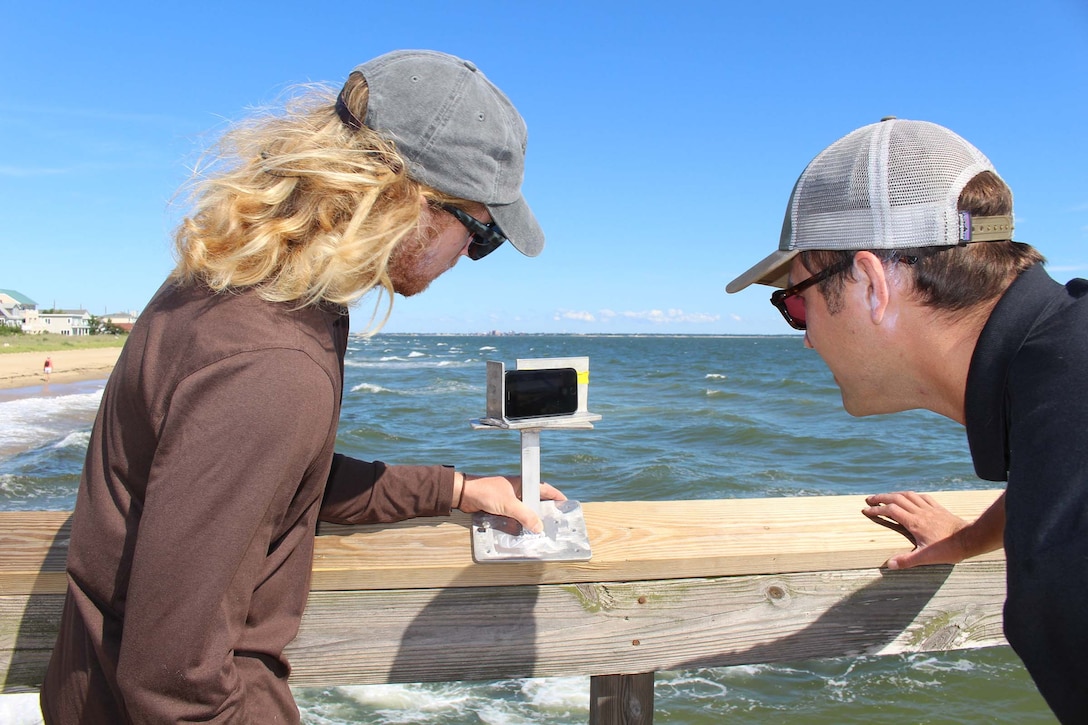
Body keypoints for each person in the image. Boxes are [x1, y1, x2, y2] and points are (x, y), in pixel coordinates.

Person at [40, 50, 564, 724]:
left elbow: (274, 482)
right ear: (405, 199)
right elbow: (172, 682)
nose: (470, 255)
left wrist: (456, 490)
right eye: (480, 231)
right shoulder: (274, 363)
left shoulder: (235, 284)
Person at [726, 117, 1087, 723]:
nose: (807, 337)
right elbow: (1050, 470)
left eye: (794, 302)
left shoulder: (1066, 556)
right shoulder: (1056, 380)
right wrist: (972, 536)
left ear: (870, 284)